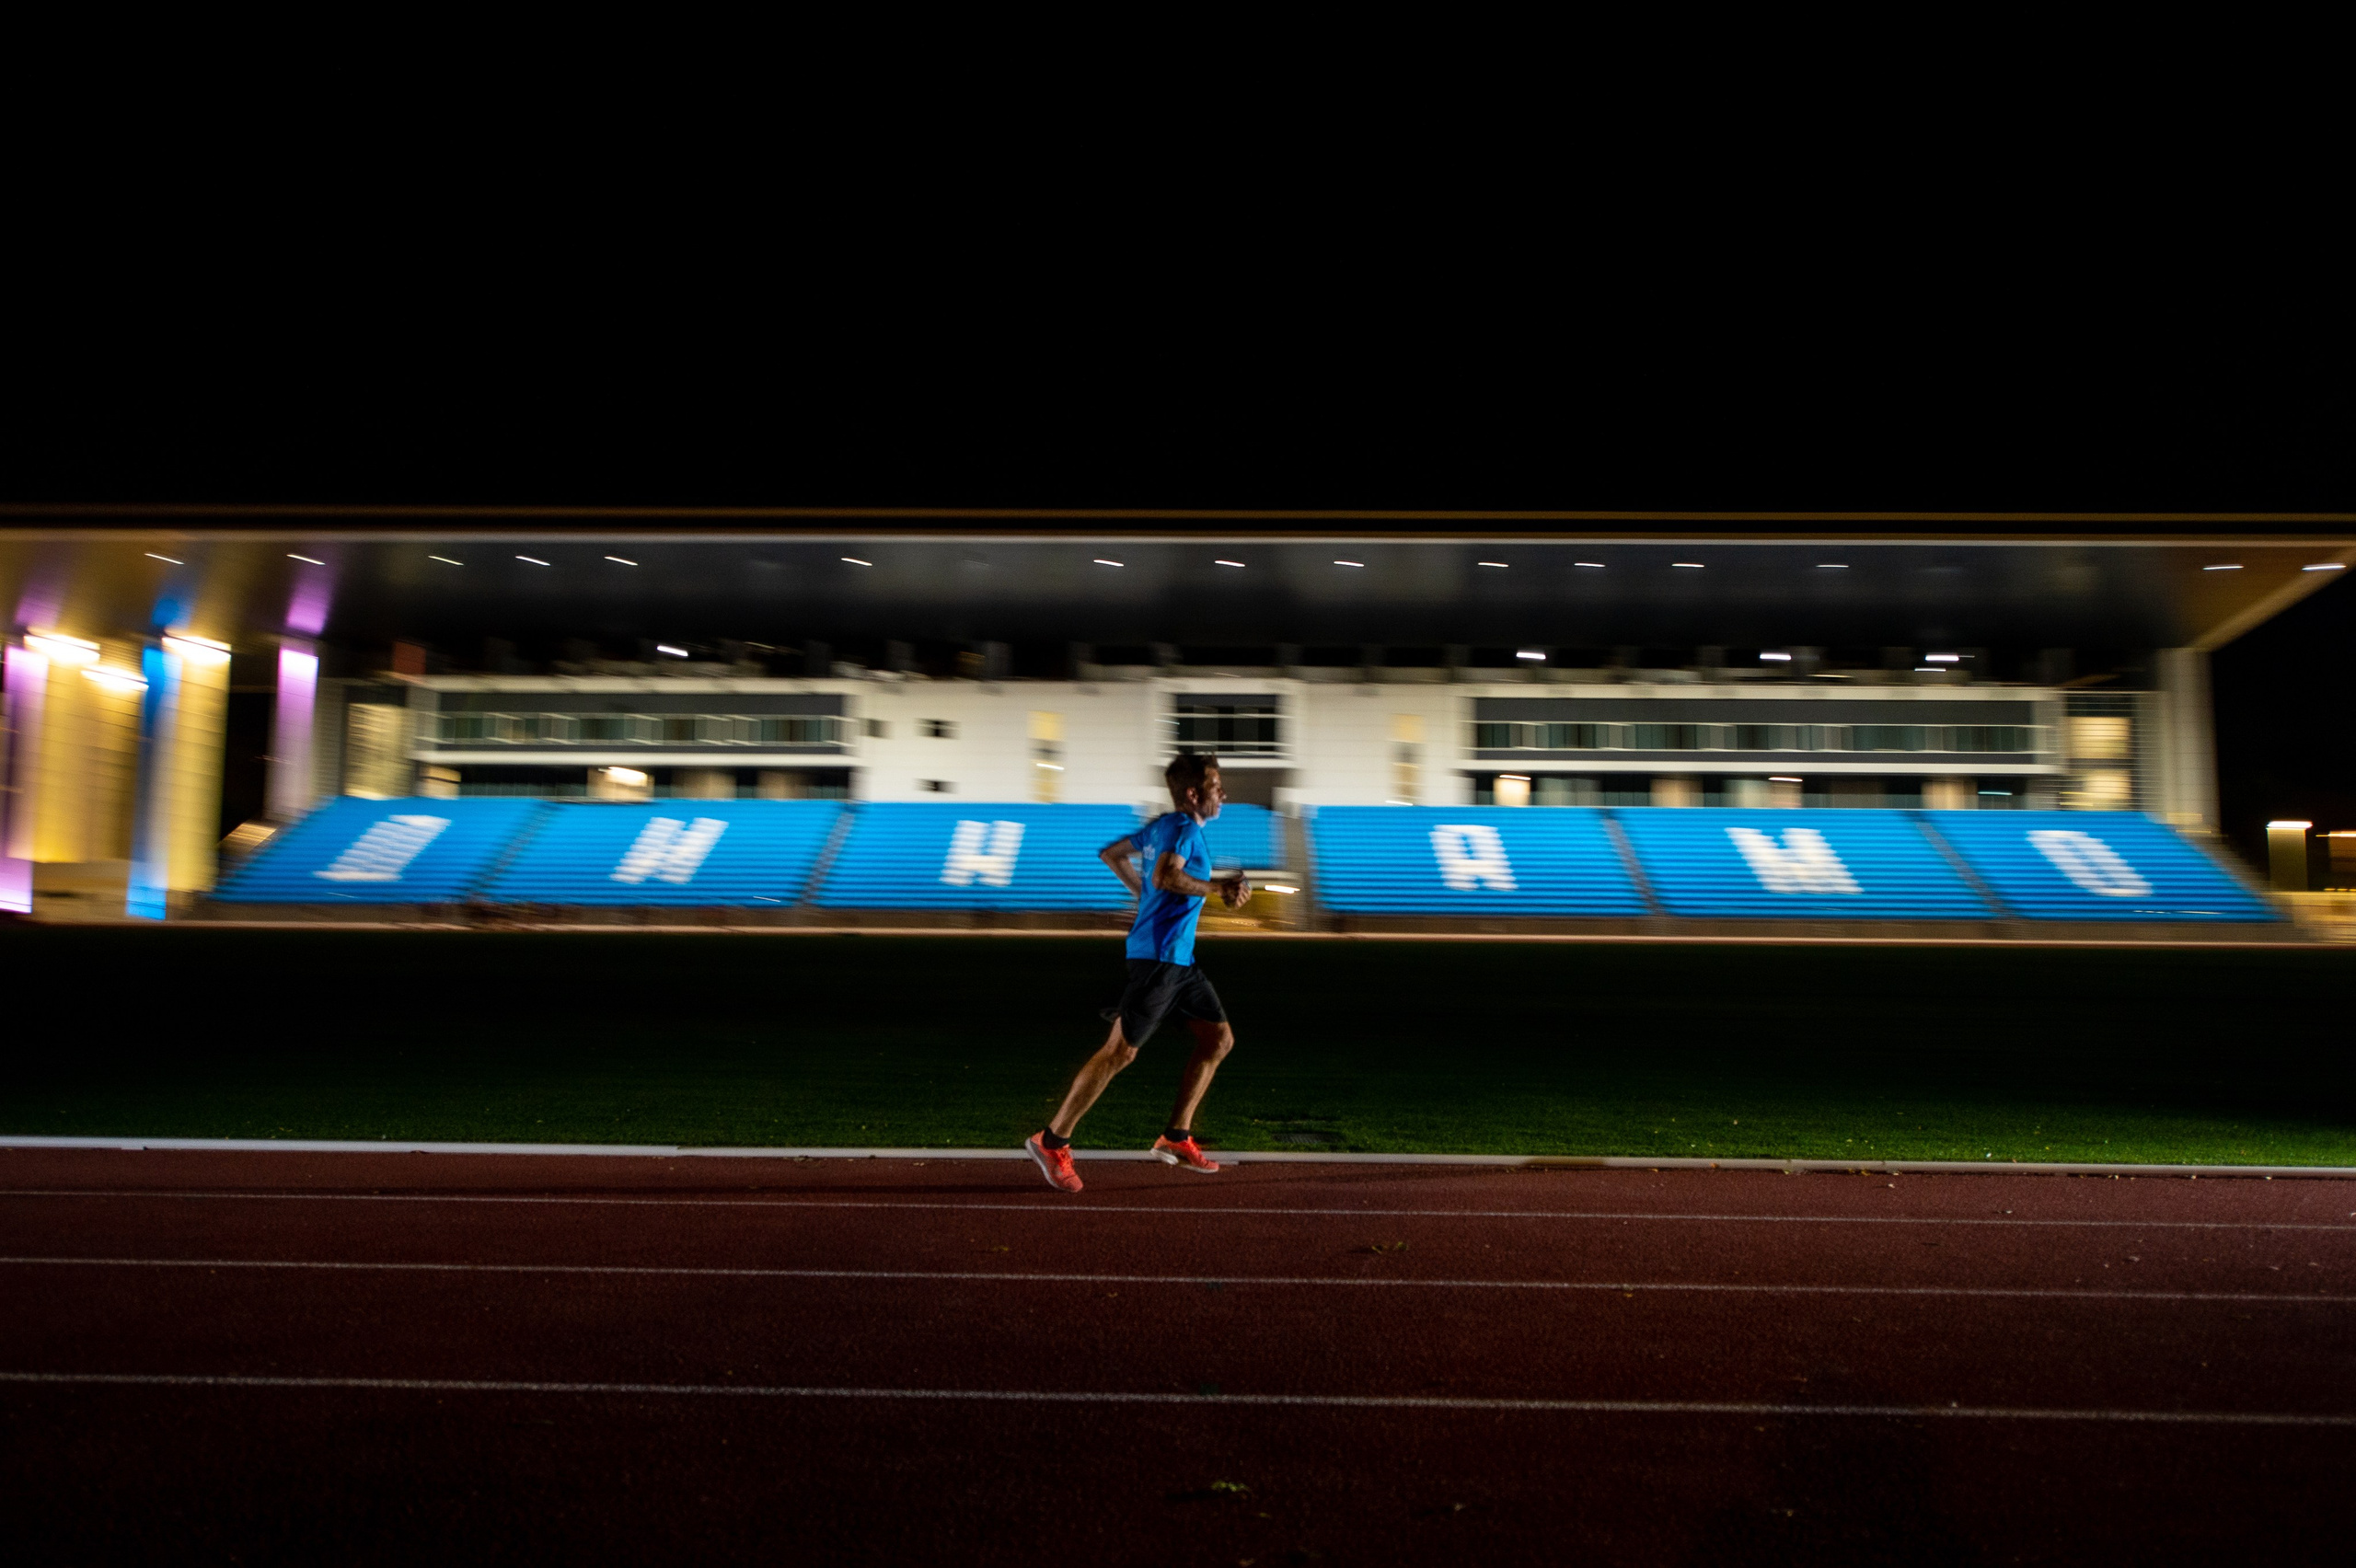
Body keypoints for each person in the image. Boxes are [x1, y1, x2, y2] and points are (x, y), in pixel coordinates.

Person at [1025, 752, 1251, 1193]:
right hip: (1160, 960)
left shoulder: (1161, 827)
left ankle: (1177, 1136)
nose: (1223, 794)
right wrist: (1216, 887)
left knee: (1218, 1040)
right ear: (1193, 794)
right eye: (1216, 786)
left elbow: (1112, 855)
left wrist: (1146, 895)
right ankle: (1051, 1141)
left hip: (1179, 962)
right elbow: (1166, 877)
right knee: (1120, 1053)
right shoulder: (1183, 828)